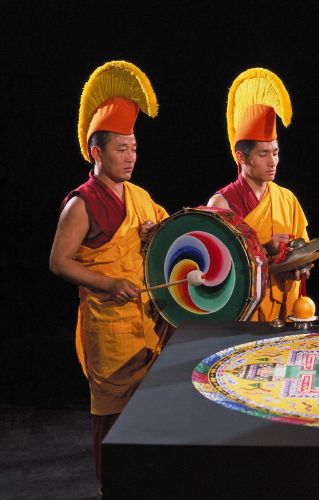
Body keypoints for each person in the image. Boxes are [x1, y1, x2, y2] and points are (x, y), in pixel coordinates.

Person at [49, 61, 169, 486]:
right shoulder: (81, 204)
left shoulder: (139, 195)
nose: (131, 157)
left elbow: (168, 238)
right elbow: (59, 261)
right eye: (121, 148)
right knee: (112, 417)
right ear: (97, 152)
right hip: (109, 326)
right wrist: (108, 283)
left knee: (150, 414)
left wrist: (157, 233)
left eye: (134, 147)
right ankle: (110, 489)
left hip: (147, 321)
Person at [208, 68, 309, 322]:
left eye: (275, 152)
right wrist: (265, 250)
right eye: (263, 154)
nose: (273, 161)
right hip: (242, 314)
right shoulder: (221, 203)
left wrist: (303, 265)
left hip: (285, 310)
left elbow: (306, 249)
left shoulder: (288, 200)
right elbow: (217, 271)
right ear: (241, 157)